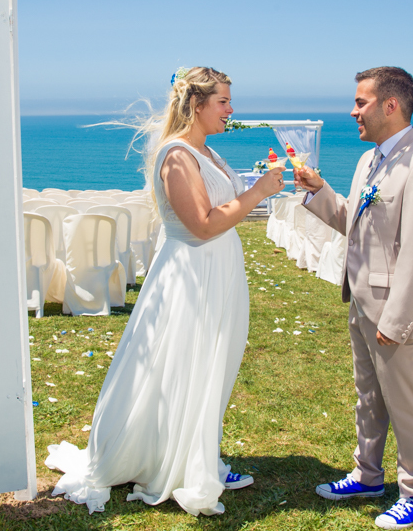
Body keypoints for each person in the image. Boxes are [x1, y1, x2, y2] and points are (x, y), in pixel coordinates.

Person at [45, 67, 285, 516]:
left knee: (210, 364)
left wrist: (259, 184)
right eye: (223, 102)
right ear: (197, 105)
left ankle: (197, 452)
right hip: (190, 276)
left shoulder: (206, 152)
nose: (231, 111)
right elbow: (202, 224)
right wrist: (258, 192)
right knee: (183, 362)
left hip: (218, 271)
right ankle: (175, 462)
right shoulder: (177, 156)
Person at [294, 66, 413, 530]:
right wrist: (319, 191)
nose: (352, 110)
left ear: (391, 105)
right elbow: (353, 221)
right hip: (361, 304)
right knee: (369, 398)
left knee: (406, 405)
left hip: (396, 316)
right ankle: (367, 475)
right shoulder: (369, 162)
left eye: (360, 102)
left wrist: (395, 322)